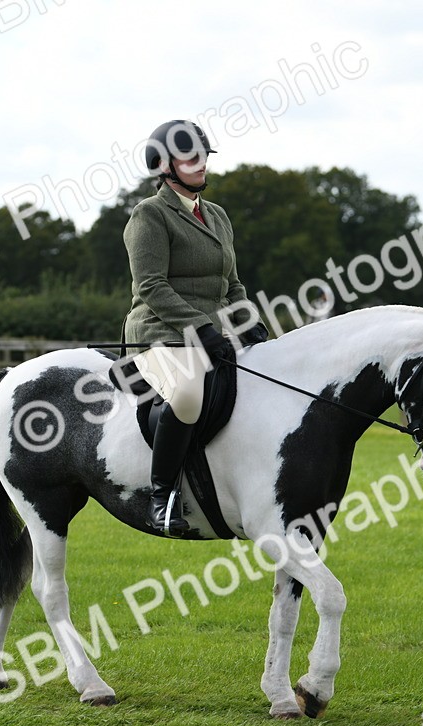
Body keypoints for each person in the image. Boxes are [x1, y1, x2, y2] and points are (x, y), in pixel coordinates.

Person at [123, 120, 268, 535]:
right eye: (191, 158)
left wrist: (249, 324)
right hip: (160, 334)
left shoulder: (218, 216)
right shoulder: (149, 214)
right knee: (187, 395)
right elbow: (151, 286)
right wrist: (201, 327)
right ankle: (161, 496)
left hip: (213, 335)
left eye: (204, 156)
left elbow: (233, 284)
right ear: (165, 166)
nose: (201, 164)